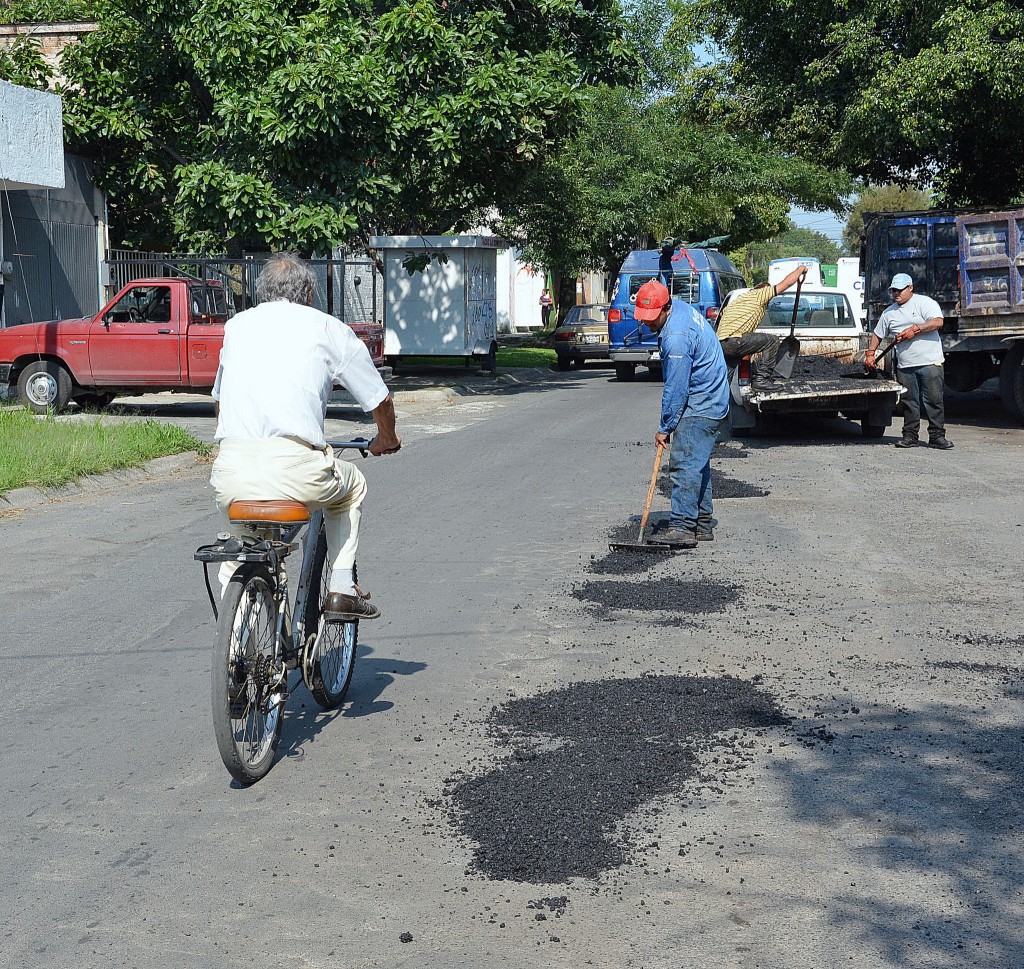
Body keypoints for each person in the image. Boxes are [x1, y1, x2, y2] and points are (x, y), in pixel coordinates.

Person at [210, 253, 402, 620]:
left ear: (262, 293)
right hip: (297, 468)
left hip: (232, 469)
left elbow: (219, 403)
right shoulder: (328, 328)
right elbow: (380, 399)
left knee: (238, 552)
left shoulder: (237, 326)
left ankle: (238, 648)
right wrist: (385, 439)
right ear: (309, 294)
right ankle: (342, 588)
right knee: (353, 486)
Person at [632, 279, 730, 549]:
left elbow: (676, 388)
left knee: (685, 460)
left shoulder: (676, 337)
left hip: (703, 401)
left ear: (665, 308)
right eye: (645, 318)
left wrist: (666, 426)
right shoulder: (682, 311)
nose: (648, 324)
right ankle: (702, 523)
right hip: (712, 396)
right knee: (696, 461)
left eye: (652, 318)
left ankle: (683, 526)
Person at [866, 272, 952, 450]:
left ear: (910, 288)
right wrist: (870, 353)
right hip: (905, 366)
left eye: (900, 290)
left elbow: (938, 322)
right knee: (908, 402)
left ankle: (937, 436)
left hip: (930, 362)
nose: (896, 294)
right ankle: (909, 436)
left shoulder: (924, 303)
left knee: (934, 401)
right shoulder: (889, 313)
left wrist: (916, 329)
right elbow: (877, 334)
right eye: (893, 291)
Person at [716, 265, 808, 392]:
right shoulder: (760, 294)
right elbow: (786, 283)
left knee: (724, 381)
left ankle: (719, 404)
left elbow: (722, 315)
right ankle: (762, 380)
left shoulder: (740, 299)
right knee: (772, 340)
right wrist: (800, 270)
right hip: (735, 340)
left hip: (723, 343)